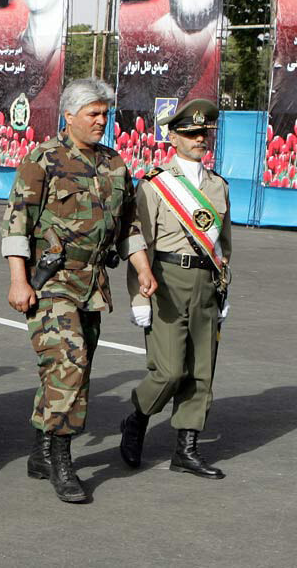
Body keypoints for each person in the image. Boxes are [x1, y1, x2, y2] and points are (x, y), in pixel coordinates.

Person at [0, 78, 157, 504]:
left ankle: (40, 450)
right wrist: (18, 280)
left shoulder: (114, 164)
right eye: (93, 113)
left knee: (73, 370)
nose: (101, 121)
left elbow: (128, 225)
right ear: (68, 116)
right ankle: (61, 459)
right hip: (52, 281)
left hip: (93, 285)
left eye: (105, 113)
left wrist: (142, 268)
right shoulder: (42, 160)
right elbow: (17, 222)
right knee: (69, 361)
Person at [119, 99, 231, 479]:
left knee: (202, 371)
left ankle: (186, 448)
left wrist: (224, 289)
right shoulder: (155, 185)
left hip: (206, 284)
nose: (200, 139)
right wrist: (139, 296)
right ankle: (137, 418)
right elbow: (139, 242)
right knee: (168, 371)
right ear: (173, 138)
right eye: (191, 133)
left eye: (204, 133)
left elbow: (223, 245)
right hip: (165, 281)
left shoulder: (218, 186)